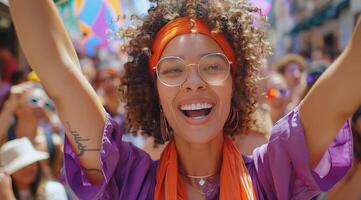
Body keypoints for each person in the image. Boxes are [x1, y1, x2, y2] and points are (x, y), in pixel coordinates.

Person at [8, 0, 360, 199]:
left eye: (212, 66)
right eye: (173, 70)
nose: (193, 82)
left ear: (234, 85)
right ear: (154, 91)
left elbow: (350, 75)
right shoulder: (129, 181)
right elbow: (59, 70)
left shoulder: (274, 174)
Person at [0, 137, 67, 200]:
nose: (28, 168)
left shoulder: (53, 190)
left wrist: (8, 196)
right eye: (22, 166)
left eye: (31, 163)